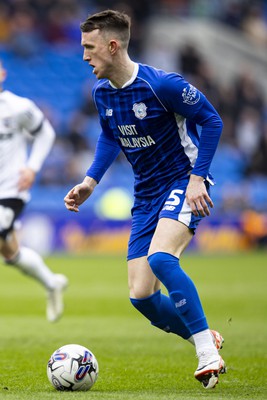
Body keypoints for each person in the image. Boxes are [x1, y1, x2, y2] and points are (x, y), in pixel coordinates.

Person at [64, 10, 226, 389]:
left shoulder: (162, 85)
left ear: (112, 45)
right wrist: (91, 181)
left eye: (89, 47)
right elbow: (110, 135)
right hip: (146, 193)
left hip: (183, 183)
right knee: (141, 296)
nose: (85, 56)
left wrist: (198, 178)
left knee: (161, 258)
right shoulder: (101, 92)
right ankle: (205, 337)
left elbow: (212, 119)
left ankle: (207, 353)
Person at [0, 61, 68, 322]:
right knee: (9, 252)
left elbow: (45, 133)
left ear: (3, 74)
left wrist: (32, 167)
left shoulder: (18, 107)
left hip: (10, 190)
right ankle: (52, 283)